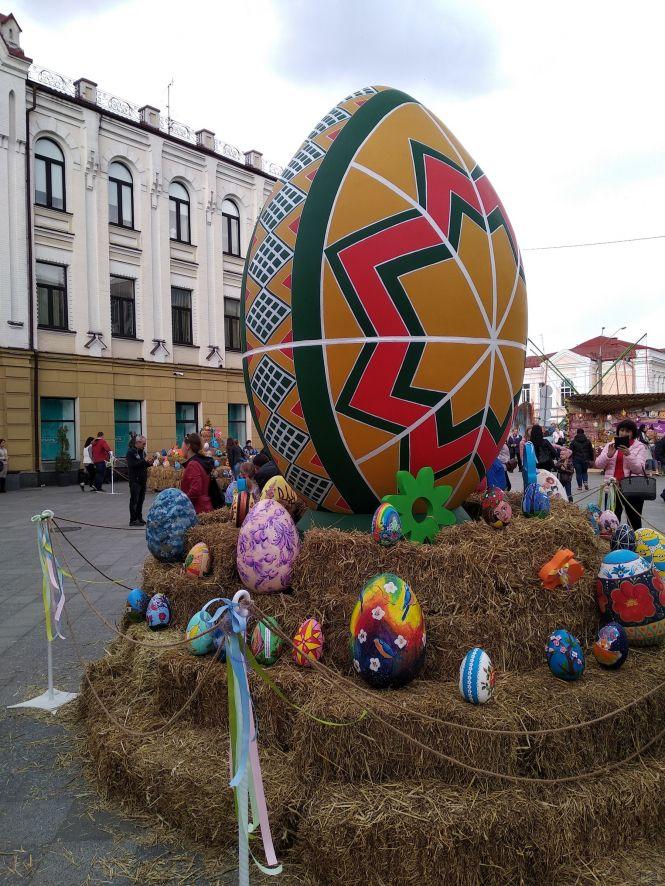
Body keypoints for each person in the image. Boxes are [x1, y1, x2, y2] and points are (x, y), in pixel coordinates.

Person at [595, 419, 648, 531]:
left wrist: (628, 455)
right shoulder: (611, 445)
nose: (624, 433)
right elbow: (598, 464)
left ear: (633, 432)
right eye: (622, 430)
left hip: (633, 489)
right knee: (612, 520)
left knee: (634, 521)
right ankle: (614, 544)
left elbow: (639, 469)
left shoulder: (640, 447)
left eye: (628, 431)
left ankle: (634, 544)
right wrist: (608, 455)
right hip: (612, 489)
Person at [181, 432, 214, 513]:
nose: (181, 449)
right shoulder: (200, 461)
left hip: (197, 509)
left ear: (188, 446)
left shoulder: (193, 464)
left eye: (182, 445)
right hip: (203, 506)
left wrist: (182, 503)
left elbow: (195, 490)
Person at [126, 434, 148, 526]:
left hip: (142, 479)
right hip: (135, 480)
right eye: (143, 444)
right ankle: (133, 519)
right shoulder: (131, 452)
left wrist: (149, 463)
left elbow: (143, 464)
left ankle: (139, 517)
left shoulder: (143, 452)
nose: (144, 445)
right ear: (137, 443)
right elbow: (133, 464)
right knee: (134, 500)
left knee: (141, 500)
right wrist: (144, 461)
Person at [570, 428, 594, 492]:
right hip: (585, 459)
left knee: (578, 473)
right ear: (583, 433)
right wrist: (591, 459)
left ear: (577, 433)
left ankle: (580, 486)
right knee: (584, 472)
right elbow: (591, 451)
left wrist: (570, 458)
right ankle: (585, 482)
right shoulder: (588, 441)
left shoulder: (573, 441)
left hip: (576, 459)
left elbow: (570, 451)